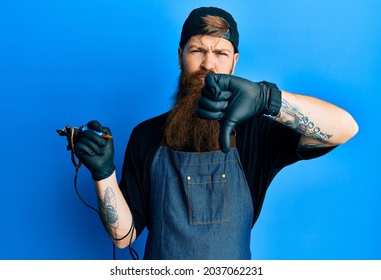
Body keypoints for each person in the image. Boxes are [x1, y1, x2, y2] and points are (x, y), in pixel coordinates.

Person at [73, 7, 358, 260]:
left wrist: (266, 99)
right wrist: (103, 174)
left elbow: (345, 129)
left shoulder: (257, 131)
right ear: (180, 56)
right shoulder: (146, 135)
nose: (208, 64)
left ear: (234, 62)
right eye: (197, 50)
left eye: (220, 53)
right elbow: (124, 237)